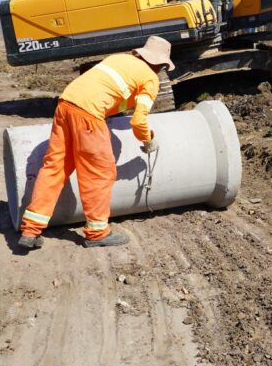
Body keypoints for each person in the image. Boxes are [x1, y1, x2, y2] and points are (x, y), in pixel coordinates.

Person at [18, 36, 173, 250]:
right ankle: (97, 233)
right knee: (99, 172)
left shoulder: (119, 59)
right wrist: (148, 140)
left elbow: (106, 93)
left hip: (65, 105)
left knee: (55, 167)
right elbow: (139, 120)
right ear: (161, 64)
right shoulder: (150, 78)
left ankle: (30, 230)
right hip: (88, 115)